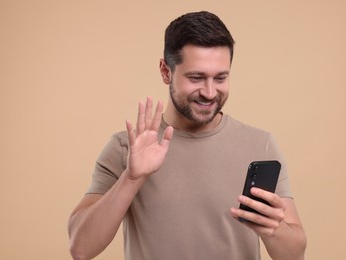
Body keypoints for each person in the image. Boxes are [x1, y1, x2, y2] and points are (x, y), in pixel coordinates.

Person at [68, 11, 307, 260]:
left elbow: (295, 255)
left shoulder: (260, 145)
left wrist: (274, 229)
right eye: (196, 77)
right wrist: (131, 178)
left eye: (220, 78)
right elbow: (81, 248)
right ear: (165, 71)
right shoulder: (126, 147)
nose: (209, 92)